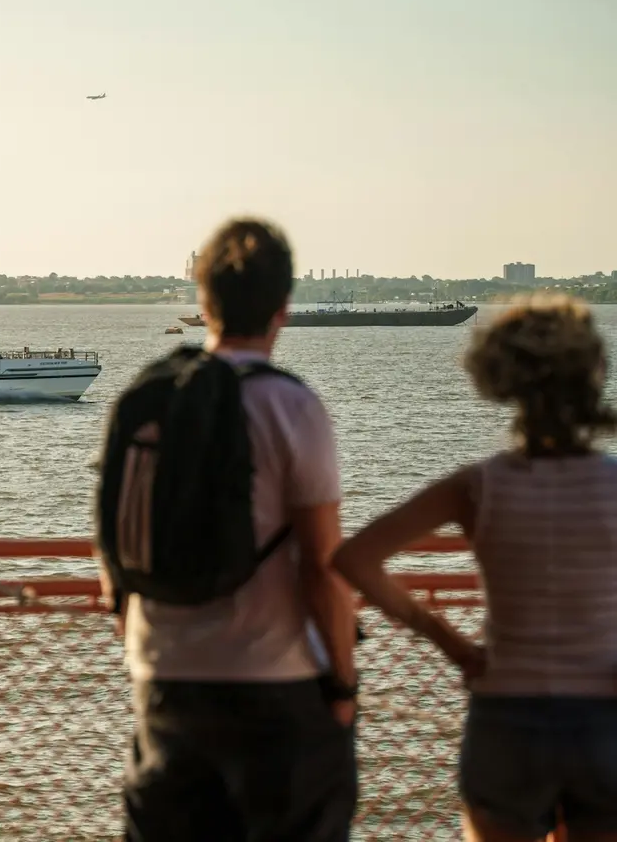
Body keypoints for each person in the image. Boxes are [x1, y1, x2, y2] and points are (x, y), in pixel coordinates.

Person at [334, 295, 617, 842]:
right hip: (605, 719)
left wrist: (453, 645)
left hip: (507, 717)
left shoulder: (480, 485)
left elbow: (356, 558)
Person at [116, 218, 358, 841]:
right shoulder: (292, 406)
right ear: (284, 308)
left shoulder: (146, 399)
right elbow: (323, 567)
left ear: (204, 301)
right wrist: (341, 684)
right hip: (275, 690)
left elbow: (114, 554)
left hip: (167, 686)